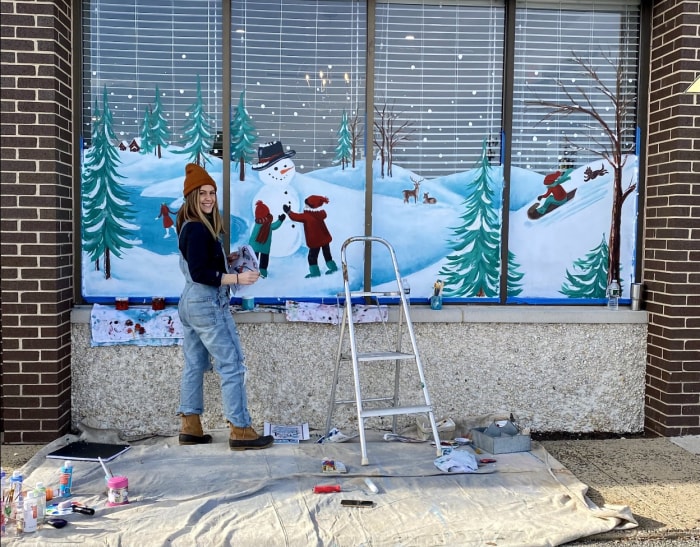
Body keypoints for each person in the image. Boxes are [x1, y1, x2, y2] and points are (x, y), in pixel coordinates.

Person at [175, 163, 273, 450]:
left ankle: (190, 426)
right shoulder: (197, 229)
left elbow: (202, 265)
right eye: (202, 193)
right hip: (206, 304)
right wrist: (238, 277)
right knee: (232, 365)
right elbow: (200, 273)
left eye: (212, 193)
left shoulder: (190, 227)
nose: (208, 198)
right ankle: (241, 430)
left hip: (191, 304)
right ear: (191, 197)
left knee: (194, 364)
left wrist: (225, 260)